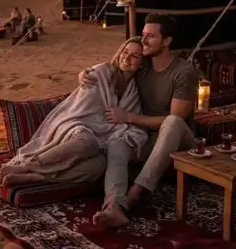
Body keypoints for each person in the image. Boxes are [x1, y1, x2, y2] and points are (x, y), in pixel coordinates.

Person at [0, 37, 147, 221]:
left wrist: (121, 122)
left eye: (135, 56)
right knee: (87, 142)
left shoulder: (133, 91)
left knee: (98, 165)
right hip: (77, 123)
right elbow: (83, 109)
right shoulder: (101, 72)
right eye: (125, 52)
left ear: (142, 64)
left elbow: (132, 125)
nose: (127, 58)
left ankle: (38, 177)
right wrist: (82, 75)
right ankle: (28, 165)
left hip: (102, 138)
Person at [79, 13, 199, 227]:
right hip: (145, 138)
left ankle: (135, 193)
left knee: (172, 122)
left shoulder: (184, 73)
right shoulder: (142, 67)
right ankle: (114, 206)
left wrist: (128, 117)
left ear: (167, 41)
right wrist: (85, 74)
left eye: (150, 36)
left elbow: (176, 119)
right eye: (143, 35)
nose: (143, 40)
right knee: (117, 143)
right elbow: (113, 68)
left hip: (181, 144)